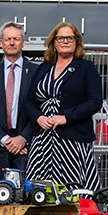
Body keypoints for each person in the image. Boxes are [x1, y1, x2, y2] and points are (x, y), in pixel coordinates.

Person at [23, 22, 103, 191]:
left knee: (73, 192)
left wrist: (66, 117)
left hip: (73, 141)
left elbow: (95, 101)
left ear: (77, 42)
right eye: (61, 38)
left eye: (70, 38)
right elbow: (29, 100)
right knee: (39, 192)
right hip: (43, 140)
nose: (65, 41)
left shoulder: (86, 68)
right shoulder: (43, 68)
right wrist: (38, 117)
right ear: (54, 42)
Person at [0, 21, 38, 184]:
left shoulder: (36, 72)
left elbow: (39, 109)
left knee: (24, 196)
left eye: (16, 39)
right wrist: (5, 139)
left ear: (23, 42)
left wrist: (23, 138)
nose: (11, 43)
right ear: (1, 43)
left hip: (26, 146)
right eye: (7, 39)